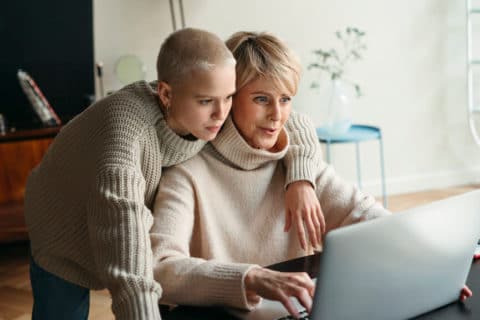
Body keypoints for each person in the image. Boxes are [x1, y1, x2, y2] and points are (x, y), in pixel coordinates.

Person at [24, 28, 325, 320]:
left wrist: (300, 179)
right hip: (61, 231)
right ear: (166, 94)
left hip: (109, 205)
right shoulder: (126, 141)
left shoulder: (202, 94)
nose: (222, 114)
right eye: (207, 101)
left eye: (230, 97)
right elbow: (131, 277)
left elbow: (291, 119)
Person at [150, 31, 393, 318]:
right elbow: (160, 267)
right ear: (229, 97)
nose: (277, 114)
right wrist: (251, 278)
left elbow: (368, 217)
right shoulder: (187, 172)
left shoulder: (299, 166)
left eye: (286, 99)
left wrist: (426, 259)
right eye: (262, 99)